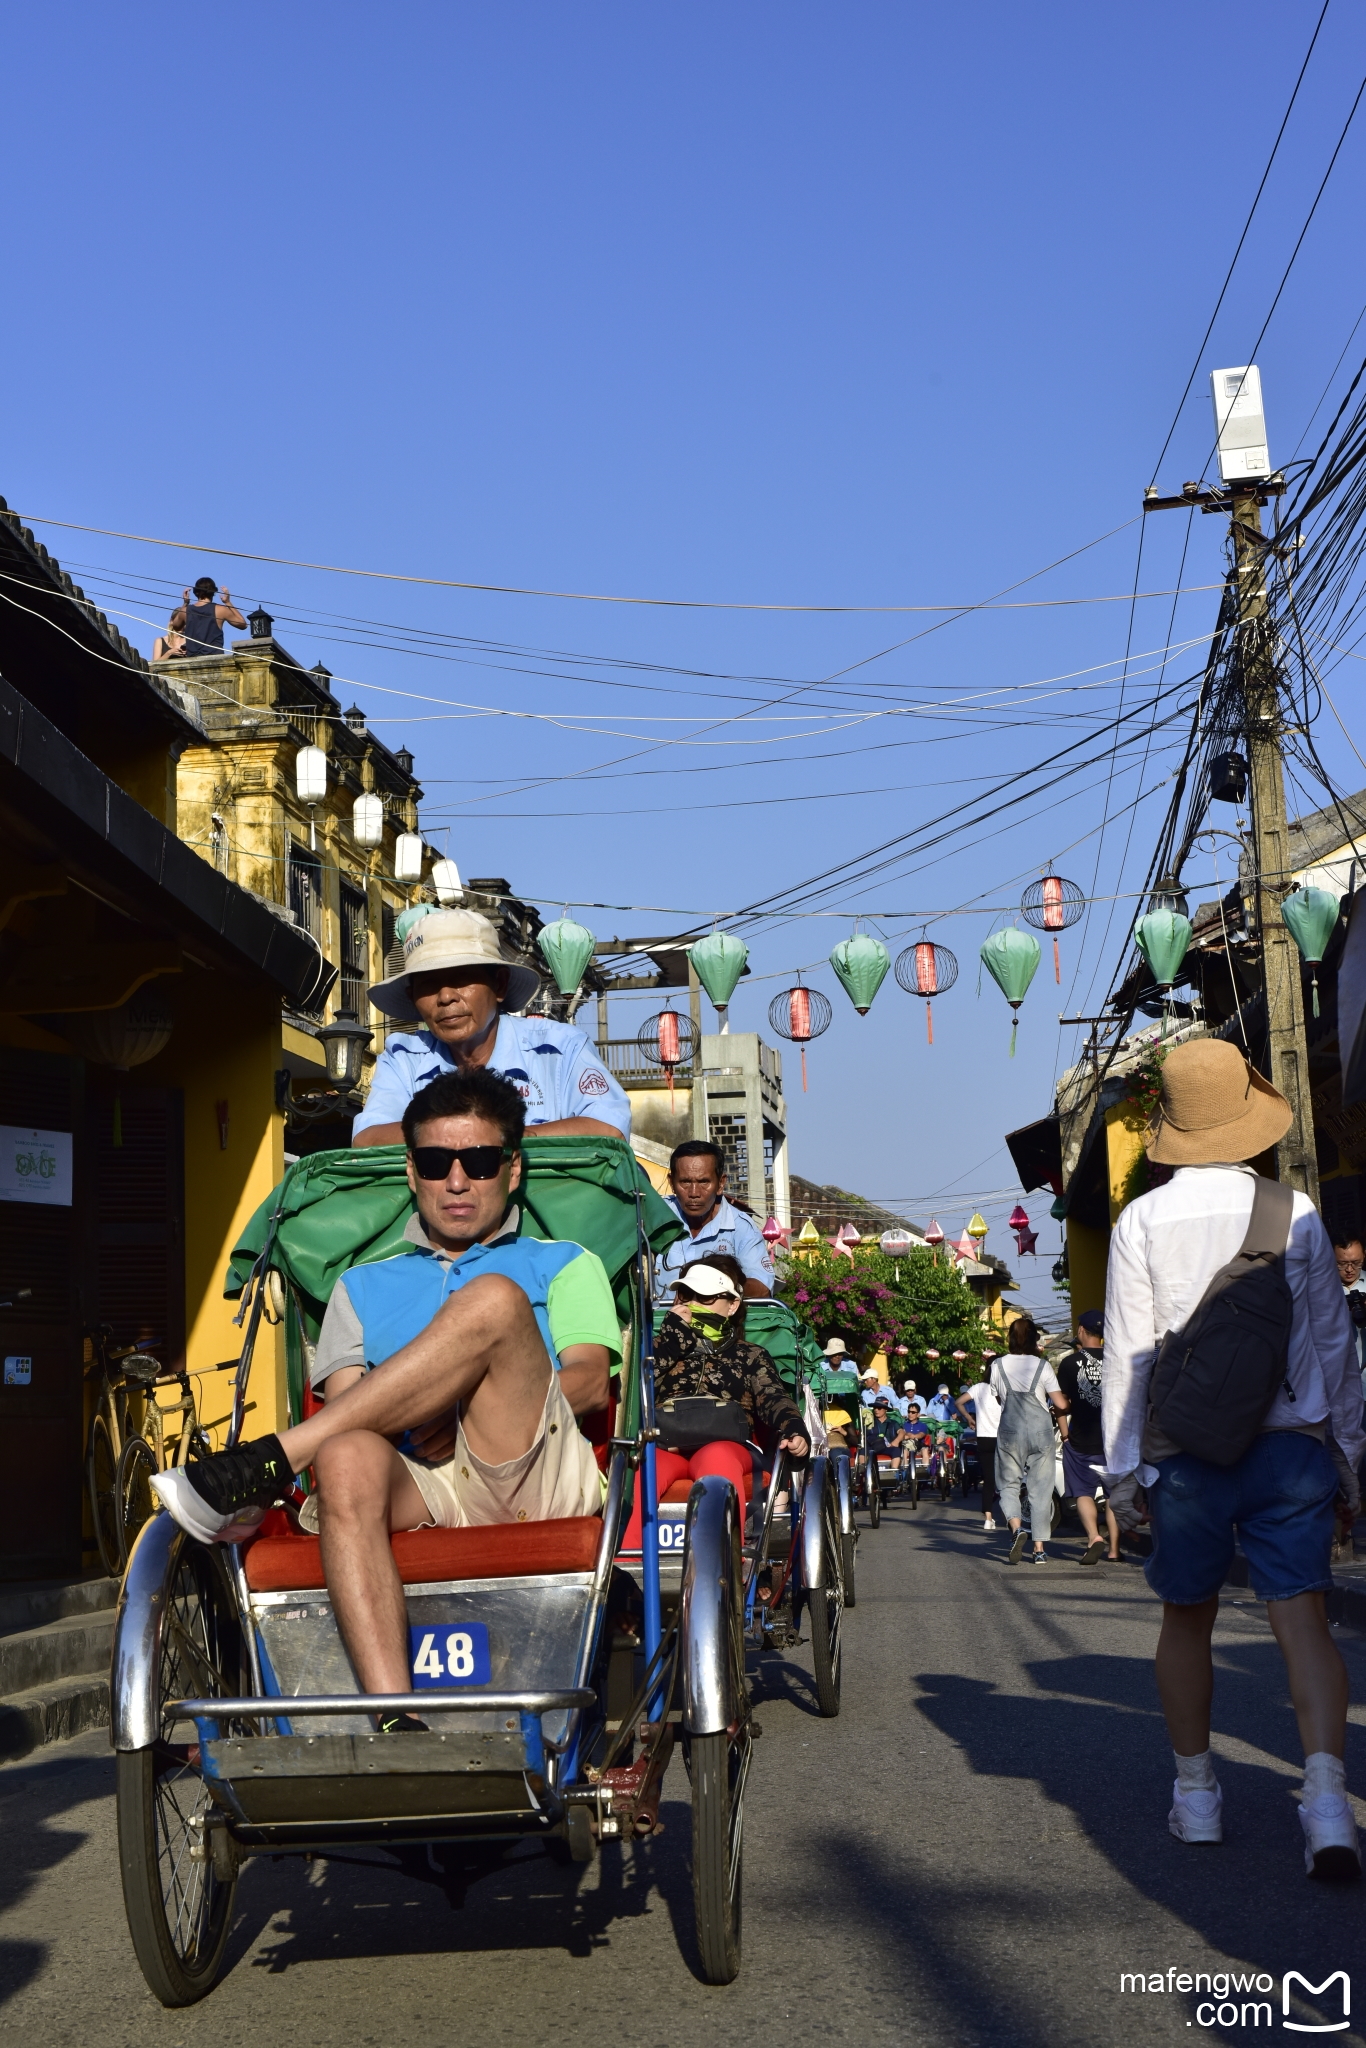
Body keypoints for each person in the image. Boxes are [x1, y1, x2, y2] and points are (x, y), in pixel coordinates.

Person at [152, 1068, 621, 1729]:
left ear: (511, 1172)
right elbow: (350, 1413)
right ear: (412, 1172)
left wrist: (454, 1407)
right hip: (416, 1484)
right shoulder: (359, 1287)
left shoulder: (564, 1261)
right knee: (342, 1452)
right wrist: (412, 1417)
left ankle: (262, 1462)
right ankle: (394, 1715)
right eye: (436, 1162)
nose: (457, 1181)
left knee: (493, 1299)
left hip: (526, 1465)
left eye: (479, 1162)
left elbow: (589, 1382)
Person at [1104, 1037, 1364, 1875]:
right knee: (1304, 1623)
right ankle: (1326, 1809)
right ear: (1248, 1125)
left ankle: (1198, 1798)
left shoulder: (1139, 1220)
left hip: (1185, 1458)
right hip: (1291, 1449)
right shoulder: (1298, 1214)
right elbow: (1334, 1347)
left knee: (1188, 1621)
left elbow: (1129, 1356)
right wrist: (1352, 1453)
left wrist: (1120, 1476)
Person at [354, 908, 631, 1146]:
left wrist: (492, 1139)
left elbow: (609, 1131)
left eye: (461, 978)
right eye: (428, 984)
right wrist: (483, 1138)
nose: (446, 996)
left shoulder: (560, 1050)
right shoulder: (403, 1059)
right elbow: (368, 1139)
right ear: (412, 997)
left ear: (498, 985)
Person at [627, 1254, 808, 1540]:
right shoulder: (654, 1349)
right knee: (640, 1474)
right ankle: (630, 1572)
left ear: (732, 1305)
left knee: (717, 1460)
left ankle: (721, 1574)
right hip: (663, 1444)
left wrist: (794, 1428)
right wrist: (672, 1343)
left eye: (705, 1297)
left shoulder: (750, 1355)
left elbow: (773, 1397)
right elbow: (634, 1395)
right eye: (686, 1295)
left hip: (726, 1443)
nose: (693, 1303)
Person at [653, 1140, 773, 1298]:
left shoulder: (742, 1228)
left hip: (716, 1321)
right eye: (685, 1182)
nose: (694, 1192)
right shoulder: (654, 1217)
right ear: (671, 1183)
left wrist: (719, 1289)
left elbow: (762, 1286)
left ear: (721, 1183)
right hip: (658, 1320)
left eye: (704, 1182)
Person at [990, 1316, 1066, 1563]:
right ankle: (1039, 1549)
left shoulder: (998, 1365)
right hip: (1040, 1430)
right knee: (1041, 1490)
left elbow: (999, 1399)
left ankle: (1016, 1527)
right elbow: (1060, 1403)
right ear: (1035, 1338)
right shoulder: (1043, 1366)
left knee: (1008, 1484)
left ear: (1010, 1339)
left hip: (1010, 1430)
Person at [1055, 1309, 1122, 1566]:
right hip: (1113, 1441)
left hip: (1081, 1439)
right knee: (1114, 1494)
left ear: (1082, 1331)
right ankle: (1115, 1549)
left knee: (1083, 1492)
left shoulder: (1070, 1363)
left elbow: (1061, 1403)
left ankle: (1094, 1536)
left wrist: (1064, 1434)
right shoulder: (1116, 1360)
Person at [955, 1369, 1002, 1532]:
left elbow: (958, 1402)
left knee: (989, 1479)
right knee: (1007, 1478)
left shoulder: (978, 1387)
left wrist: (969, 1418)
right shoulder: (1005, 1386)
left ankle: (988, 1518)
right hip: (1003, 1437)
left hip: (983, 1437)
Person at [169, 576, 247, 655]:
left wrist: (185, 603)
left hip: (193, 661)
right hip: (215, 660)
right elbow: (243, 624)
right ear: (213, 592)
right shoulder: (220, 610)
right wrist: (227, 602)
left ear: (196, 592)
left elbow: (175, 626)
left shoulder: (185, 611)